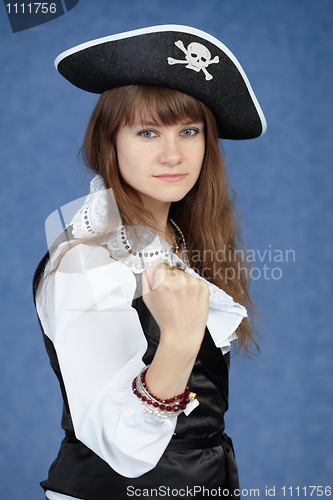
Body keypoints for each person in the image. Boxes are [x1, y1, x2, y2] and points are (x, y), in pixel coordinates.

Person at [33, 25, 266, 500]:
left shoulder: (180, 243)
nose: (172, 154)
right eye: (146, 132)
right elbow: (119, 444)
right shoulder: (88, 261)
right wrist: (178, 342)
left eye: (188, 131)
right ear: (109, 143)